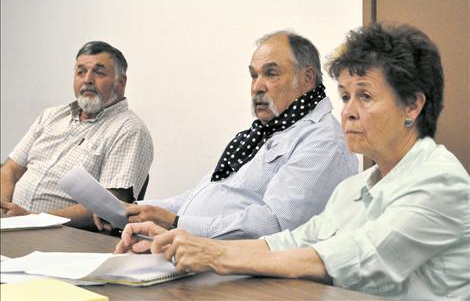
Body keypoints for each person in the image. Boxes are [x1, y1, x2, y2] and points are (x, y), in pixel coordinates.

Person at [115, 23, 470, 301]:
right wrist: (182, 242)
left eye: (364, 96)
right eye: (345, 97)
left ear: (412, 106)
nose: (347, 112)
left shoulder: (441, 182)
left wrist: (213, 255)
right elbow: (293, 240)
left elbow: (355, 258)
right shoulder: (355, 188)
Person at [107, 31, 358, 239]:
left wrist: (175, 224)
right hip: (202, 256)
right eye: (253, 75)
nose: (257, 87)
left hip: (253, 279)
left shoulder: (322, 141)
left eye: (270, 73)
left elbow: (276, 227)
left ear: (307, 78)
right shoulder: (261, 135)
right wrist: (136, 210)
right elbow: (200, 197)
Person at [0, 41, 154, 230]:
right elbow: (10, 169)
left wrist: (33, 219)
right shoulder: (51, 116)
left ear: (120, 83)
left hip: (64, 235)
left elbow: (110, 207)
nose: (87, 79)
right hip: (12, 224)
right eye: (81, 72)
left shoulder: (128, 130)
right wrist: (3, 207)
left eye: (99, 72)